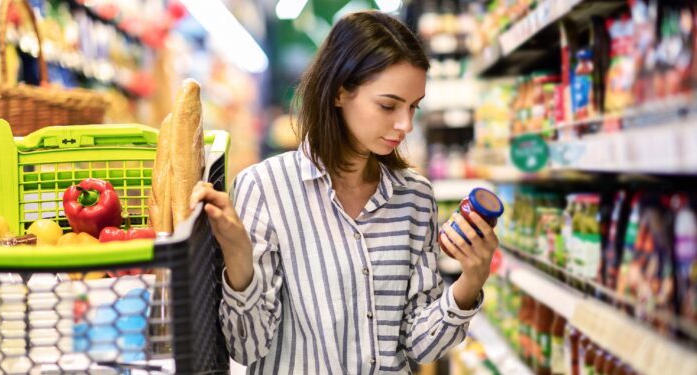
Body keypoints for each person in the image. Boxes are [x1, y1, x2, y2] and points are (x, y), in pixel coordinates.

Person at [190, 10, 499, 374]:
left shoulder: (415, 197)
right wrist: (239, 260)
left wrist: (470, 281)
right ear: (339, 92)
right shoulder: (265, 187)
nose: (406, 124)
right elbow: (247, 347)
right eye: (388, 105)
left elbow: (420, 344)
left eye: (414, 106)